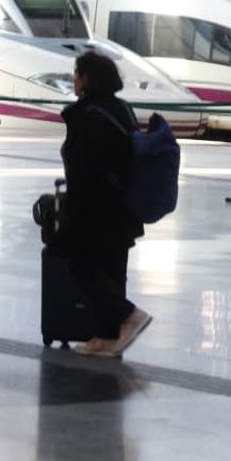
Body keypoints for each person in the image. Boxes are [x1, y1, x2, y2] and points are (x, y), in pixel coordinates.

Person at [59, 49, 153, 358]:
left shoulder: (88, 114)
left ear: (86, 79)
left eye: (77, 74)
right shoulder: (122, 109)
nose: (74, 79)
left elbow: (83, 168)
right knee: (112, 272)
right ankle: (106, 337)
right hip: (124, 207)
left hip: (96, 210)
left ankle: (129, 315)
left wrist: (72, 216)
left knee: (81, 266)